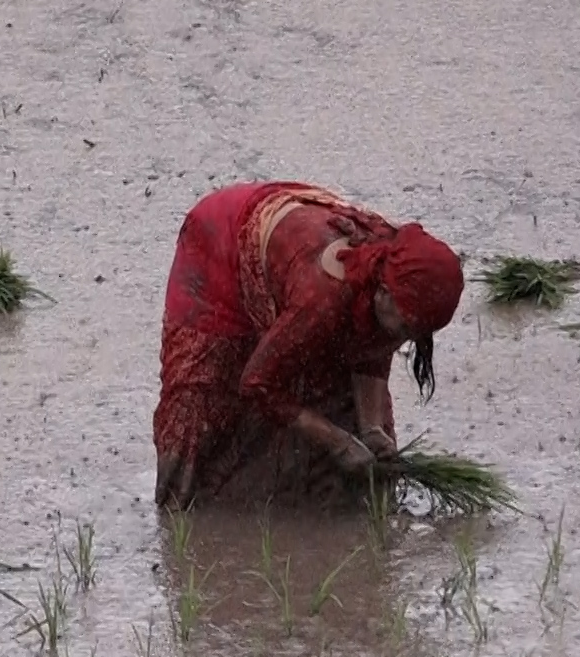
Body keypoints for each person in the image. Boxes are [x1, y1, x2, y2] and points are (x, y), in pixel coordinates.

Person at [153, 182, 464, 509]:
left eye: (415, 333)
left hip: (299, 267)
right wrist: (336, 440)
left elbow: (372, 346)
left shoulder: (390, 278)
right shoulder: (322, 298)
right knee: (201, 404)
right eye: (404, 326)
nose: (401, 340)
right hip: (220, 245)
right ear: (383, 292)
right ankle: (182, 527)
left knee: (358, 445)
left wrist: (370, 427)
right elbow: (257, 385)